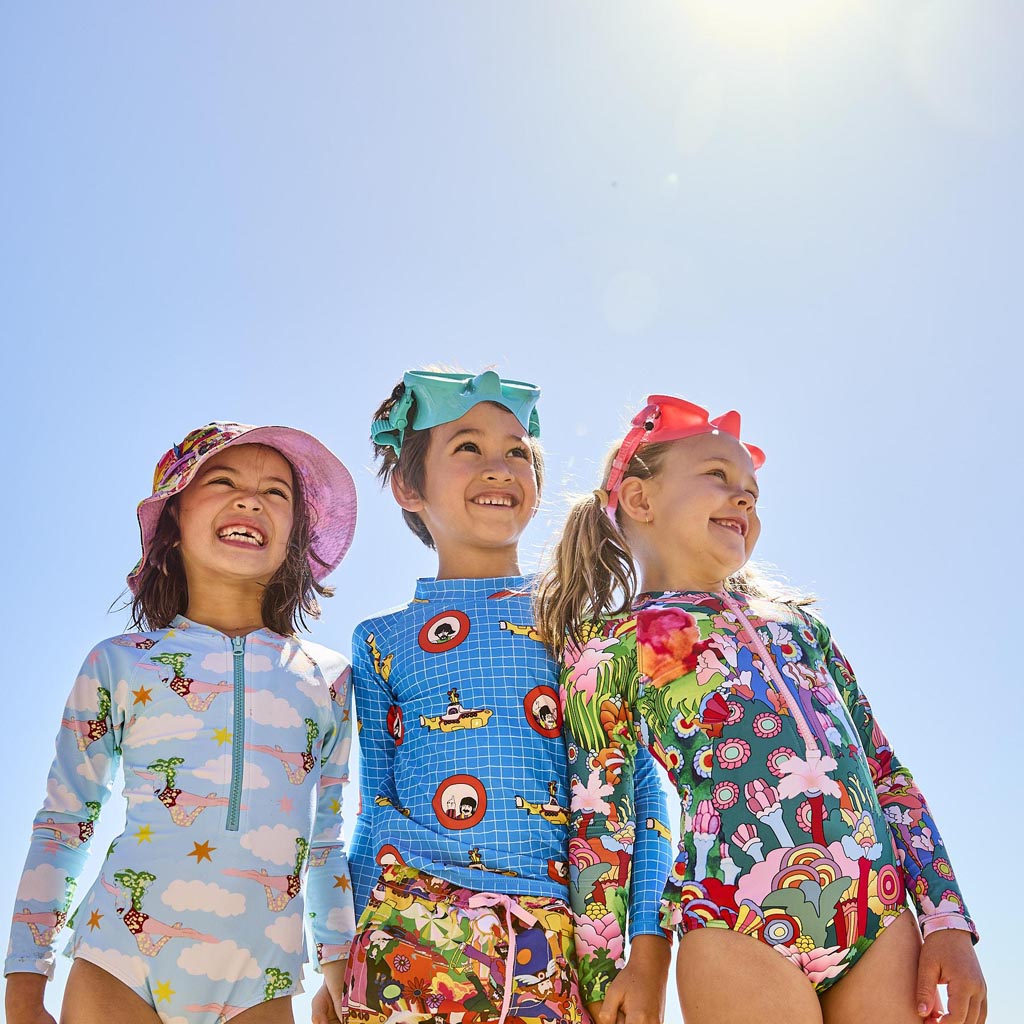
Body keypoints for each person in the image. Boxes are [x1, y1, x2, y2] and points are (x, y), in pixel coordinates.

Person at [534, 396, 987, 1024]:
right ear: (640, 502)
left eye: (752, 490)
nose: (744, 498)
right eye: (718, 476)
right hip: (734, 922)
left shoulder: (799, 627)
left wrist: (946, 918)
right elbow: (604, 824)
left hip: (877, 913)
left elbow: (885, 774)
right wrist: (616, 969)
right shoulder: (636, 641)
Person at [312, 370, 673, 1024]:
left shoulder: (583, 628)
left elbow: (643, 793)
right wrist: (344, 953)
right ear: (408, 486)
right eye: (468, 448)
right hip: (406, 930)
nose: (499, 467)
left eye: (516, 452)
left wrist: (645, 953)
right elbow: (374, 807)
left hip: (551, 936)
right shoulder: (380, 640)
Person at [5, 422, 359, 1024]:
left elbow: (323, 842)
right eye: (222, 481)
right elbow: (65, 823)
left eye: (277, 493)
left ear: (295, 538)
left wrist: (338, 970)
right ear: (173, 524)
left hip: (264, 978)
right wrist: (22, 982)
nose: (251, 499)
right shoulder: (118, 662)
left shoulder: (327, 677)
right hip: (119, 959)